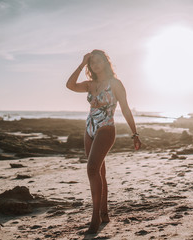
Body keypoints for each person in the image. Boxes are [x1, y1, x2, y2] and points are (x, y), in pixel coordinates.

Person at [66, 49, 141, 233]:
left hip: (106, 128)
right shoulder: (90, 85)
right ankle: (105, 213)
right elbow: (69, 85)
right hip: (89, 129)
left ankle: (95, 217)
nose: (96, 64)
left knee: (91, 169)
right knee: (99, 172)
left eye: (99, 61)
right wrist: (82, 63)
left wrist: (134, 133)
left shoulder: (115, 83)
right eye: (93, 62)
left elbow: (125, 108)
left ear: (106, 63)